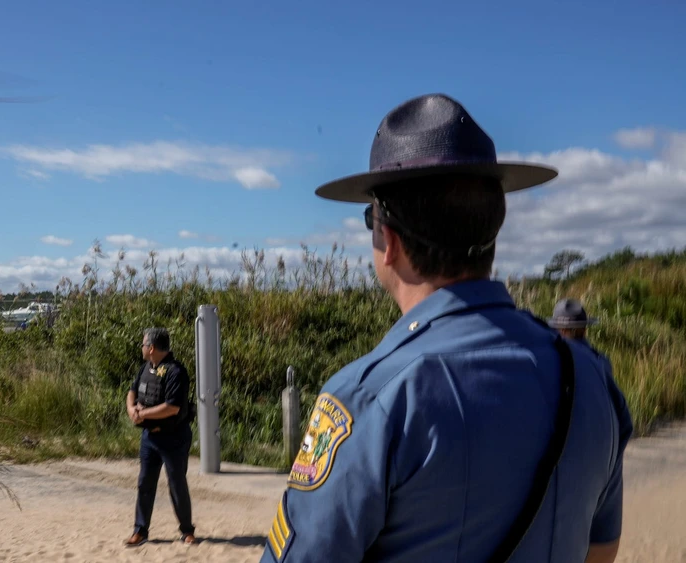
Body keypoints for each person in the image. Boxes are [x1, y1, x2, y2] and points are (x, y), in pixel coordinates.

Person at [261, 94, 633, 563]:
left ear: (388, 241)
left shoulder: (371, 397)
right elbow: (602, 549)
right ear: (492, 230)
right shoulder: (589, 376)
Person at [124, 327, 196, 547]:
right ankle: (140, 530)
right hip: (149, 439)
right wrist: (131, 410)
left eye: (144, 344)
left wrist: (142, 413)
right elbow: (132, 391)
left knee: (177, 484)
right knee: (145, 483)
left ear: (152, 347)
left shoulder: (176, 372)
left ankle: (187, 531)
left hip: (174, 438)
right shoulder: (145, 368)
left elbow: (172, 408)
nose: (142, 348)